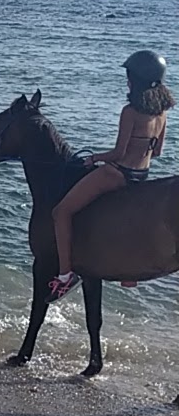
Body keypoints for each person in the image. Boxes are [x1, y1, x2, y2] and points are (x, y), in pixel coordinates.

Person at [49, 50, 173, 300]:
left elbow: (118, 153)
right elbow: (158, 152)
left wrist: (94, 158)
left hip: (118, 174)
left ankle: (65, 275)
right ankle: (129, 273)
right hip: (141, 176)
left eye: (129, 77)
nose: (127, 81)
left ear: (136, 80)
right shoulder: (162, 113)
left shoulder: (130, 112)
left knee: (61, 212)